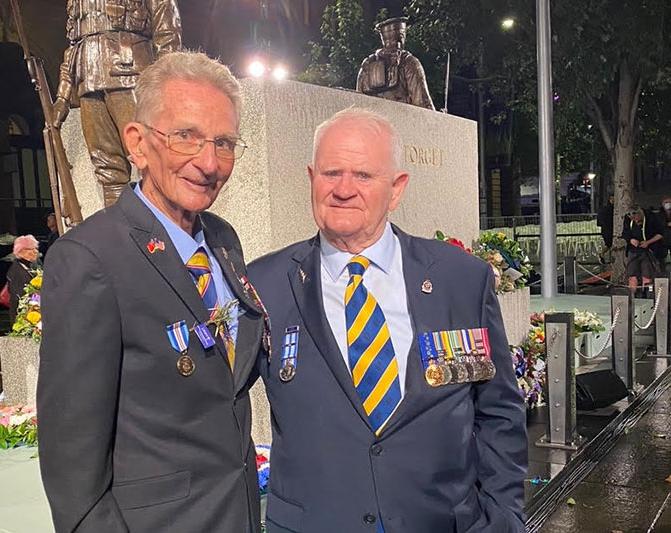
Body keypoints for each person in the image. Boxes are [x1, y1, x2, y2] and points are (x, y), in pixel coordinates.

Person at [248, 108, 527, 532]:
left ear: (396, 190)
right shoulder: (263, 283)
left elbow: (499, 411)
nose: (344, 189)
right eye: (331, 173)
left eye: (363, 175)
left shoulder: (460, 278)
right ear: (311, 178)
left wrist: (504, 518)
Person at [38, 51, 264, 533]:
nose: (208, 162)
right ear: (137, 145)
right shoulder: (90, 258)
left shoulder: (222, 239)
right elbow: (71, 463)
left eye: (223, 143)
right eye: (186, 136)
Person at [53, 0, 182, 207]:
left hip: (132, 74)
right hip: (87, 81)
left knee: (153, 158)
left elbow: (167, 33)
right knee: (108, 170)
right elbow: (73, 45)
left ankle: (164, 230)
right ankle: (119, 233)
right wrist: (62, 96)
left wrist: (168, 87)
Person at [356, 17, 435, 110]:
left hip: (373, 122)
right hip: (402, 122)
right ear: (401, 37)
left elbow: (358, 103)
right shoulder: (409, 63)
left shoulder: (367, 65)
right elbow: (423, 105)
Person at [622, 206, 664, 293]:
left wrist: (648, 242)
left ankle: (648, 294)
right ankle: (632, 296)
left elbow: (660, 234)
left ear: (640, 214)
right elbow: (625, 233)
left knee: (647, 276)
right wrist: (631, 240)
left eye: (637, 219)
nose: (636, 221)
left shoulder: (652, 218)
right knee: (632, 276)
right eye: (633, 220)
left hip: (648, 251)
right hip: (633, 251)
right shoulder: (628, 219)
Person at [7, 235, 40, 326]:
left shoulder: (32, 266)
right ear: (20, 252)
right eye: (31, 249)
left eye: (36, 248)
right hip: (24, 318)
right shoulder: (16, 271)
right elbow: (20, 297)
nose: (35, 251)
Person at [658, 197, 671, 273]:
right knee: (661, 257)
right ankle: (662, 272)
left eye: (669, 202)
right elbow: (659, 225)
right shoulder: (660, 214)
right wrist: (667, 224)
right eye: (665, 202)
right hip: (662, 238)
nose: (667, 204)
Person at [597, 194, 614, 263]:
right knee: (609, 244)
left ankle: (603, 255)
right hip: (608, 229)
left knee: (608, 244)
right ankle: (603, 255)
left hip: (606, 229)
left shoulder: (604, 209)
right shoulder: (607, 209)